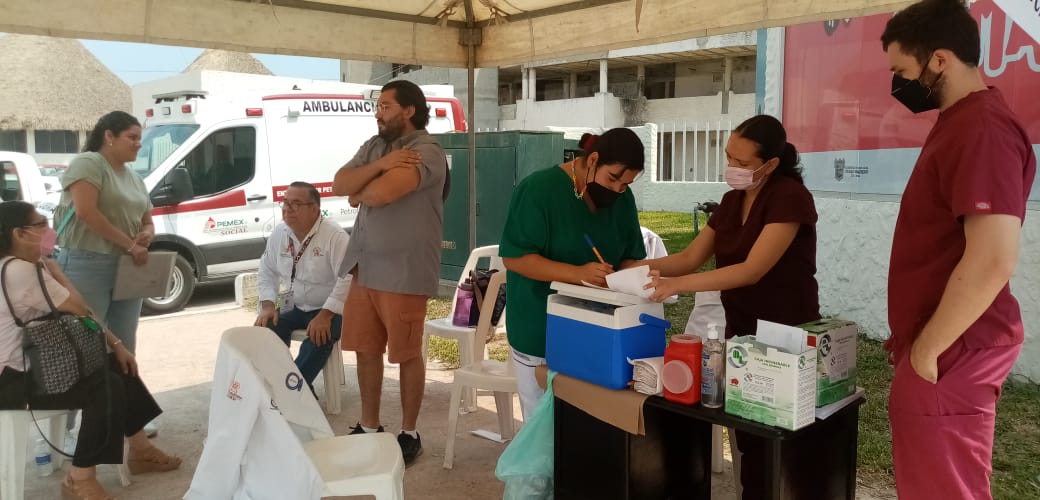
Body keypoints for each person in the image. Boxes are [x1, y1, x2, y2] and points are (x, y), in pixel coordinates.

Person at [880, 1, 1036, 498]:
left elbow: (993, 258)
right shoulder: (961, 121)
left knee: (942, 489)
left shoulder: (981, 129)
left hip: (954, 348)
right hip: (945, 344)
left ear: (939, 60)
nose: (897, 84)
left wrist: (929, 349)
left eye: (902, 71)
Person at [641, 114, 819, 498]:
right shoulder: (731, 200)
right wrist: (633, 267)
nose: (732, 167)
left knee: (780, 443)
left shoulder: (790, 198)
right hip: (743, 332)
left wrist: (676, 285)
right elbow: (689, 258)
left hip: (785, 334)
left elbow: (752, 270)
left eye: (742, 162)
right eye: (728, 157)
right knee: (750, 437)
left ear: (770, 164)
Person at [0, 201, 180, 500]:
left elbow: (84, 317)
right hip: (12, 381)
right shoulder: (19, 270)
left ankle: (140, 450)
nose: (49, 230)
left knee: (117, 364)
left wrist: (117, 345)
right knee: (106, 387)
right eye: (41, 224)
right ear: (19, 233)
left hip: (29, 368)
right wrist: (56, 271)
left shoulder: (19, 266)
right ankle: (80, 478)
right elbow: (79, 307)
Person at [331, 80, 449, 464]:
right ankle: (369, 426)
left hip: (404, 272)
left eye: (385, 106)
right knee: (366, 350)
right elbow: (339, 183)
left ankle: (409, 432)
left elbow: (381, 194)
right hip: (365, 267)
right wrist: (380, 166)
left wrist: (360, 189)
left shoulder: (426, 151)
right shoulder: (375, 147)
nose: (378, 113)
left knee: (406, 354)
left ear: (409, 110)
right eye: (377, 106)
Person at [499, 128, 647, 419]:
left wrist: (637, 278)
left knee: (590, 426)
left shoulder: (623, 199)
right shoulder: (539, 190)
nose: (617, 190)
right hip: (541, 330)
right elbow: (516, 258)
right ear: (592, 160)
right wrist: (577, 274)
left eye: (625, 185)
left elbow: (629, 257)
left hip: (600, 331)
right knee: (544, 427)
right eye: (612, 179)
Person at [54, 111, 159, 438]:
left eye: (140, 138)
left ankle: (129, 419)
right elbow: (86, 212)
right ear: (109, 136)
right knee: (86, 346)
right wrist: (131, 244)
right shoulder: (89, 163)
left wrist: (146, 234)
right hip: (87, 263)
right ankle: (71, 428)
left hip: (128, 266)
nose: (138, 144)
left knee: (124, 343)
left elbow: (148, 219)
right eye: (132, 137)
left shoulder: (135, 177)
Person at [254, 182, 350, 389]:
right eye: (285, 202)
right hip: (296, 306)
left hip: (331, 311)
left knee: (318, 337)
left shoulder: (334, 236)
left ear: (314, 209)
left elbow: (348, 278)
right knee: (266, 329)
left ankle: (295, 391)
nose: (287, 209)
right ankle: (289, 387)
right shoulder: (280, 233)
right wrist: (268, 305)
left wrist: (325, 316)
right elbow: (267, 270)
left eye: (296, 204)